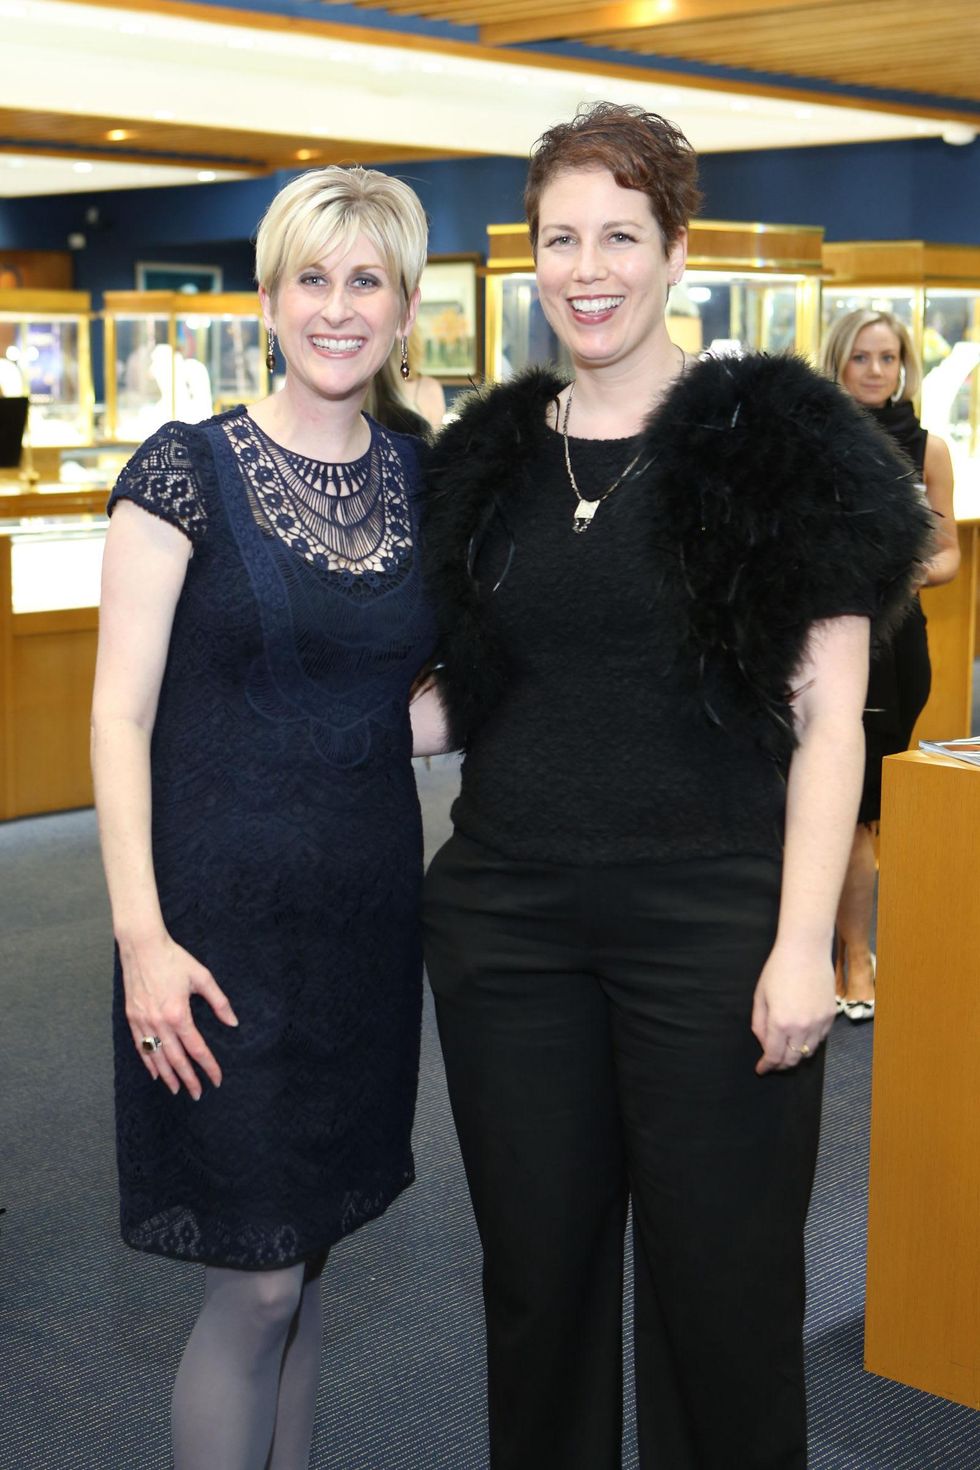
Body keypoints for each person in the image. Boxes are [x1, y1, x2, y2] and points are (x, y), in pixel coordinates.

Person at [422, 104, 933, 1470]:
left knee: (725, 1299)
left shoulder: (780, 444)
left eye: (620, 236)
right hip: (508, 926)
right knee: (540, 1292)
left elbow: (834, 718)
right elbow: (457, 693)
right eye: (560, 237)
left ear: (676, 250)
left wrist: (805, 946)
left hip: (712, 925)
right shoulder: (491, 459)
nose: (588, 267)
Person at [91, 164, 442, 1470]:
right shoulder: (181, 471)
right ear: (268, 297)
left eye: (367, 281)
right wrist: (141, 939)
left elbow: (413, 700)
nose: (338, 308)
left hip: (362, 930)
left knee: (306, 1267)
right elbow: (119, 719)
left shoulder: (424, 478)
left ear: (405, 308)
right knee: (252, 1282)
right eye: (314, 277)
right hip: (211, 938)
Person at [820, 309, 959, 1021]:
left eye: (889, 358)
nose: (876, 371)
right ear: (837, 362)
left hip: (897, 650)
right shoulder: (808, 443)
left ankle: (852, 955)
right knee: (817, 804)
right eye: (861, 358)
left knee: (860, 815)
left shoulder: (929, 448)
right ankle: (826, 945)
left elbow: (949, 555)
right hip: (814, 646)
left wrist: (902, 575)